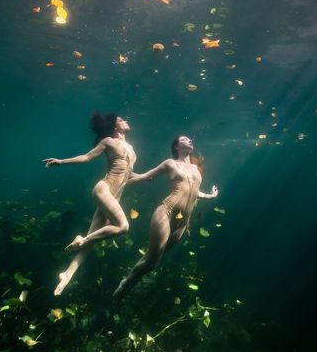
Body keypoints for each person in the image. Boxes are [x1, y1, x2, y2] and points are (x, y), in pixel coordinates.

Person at [113, 135, 218, 300]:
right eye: (185, 139)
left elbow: (193, 191)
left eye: (190, 139)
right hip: (166, 214)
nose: (190, 140)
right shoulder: (170, 163)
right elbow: (145, 176)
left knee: (151, 259)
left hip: (182, 222)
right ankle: (126, 283)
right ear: (177, 146)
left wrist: (210, 196)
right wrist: (119, 181)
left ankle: (130, 280)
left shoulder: (196, 169)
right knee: (153, 262)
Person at [42, 112, 136, 295]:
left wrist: (154, 174)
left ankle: (66, 276)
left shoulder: (131, 148)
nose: (126, 121)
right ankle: (81, 239)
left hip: (114, 197)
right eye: (122, 119)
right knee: (123, 226)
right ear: (115, 126)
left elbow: (130, 176)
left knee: (92, 242)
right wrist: (61, 161)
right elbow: (87, 157)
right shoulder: (108, 141)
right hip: (104, 190)